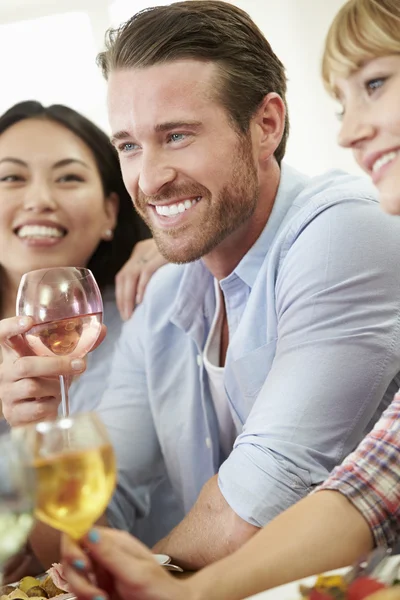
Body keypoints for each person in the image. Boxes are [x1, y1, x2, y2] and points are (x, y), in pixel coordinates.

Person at [2, 0, 400, 575]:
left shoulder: (344, 229)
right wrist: (35, 434)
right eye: (129, 145)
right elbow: (81, 535)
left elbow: (254, 507)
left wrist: (132, 579)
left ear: (267, 124)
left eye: (178, 135)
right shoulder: (162, 296)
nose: (149, 178)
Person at [0, 100, 177, 580]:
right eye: (10, 178)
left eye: (68, 178)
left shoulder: (143, 326)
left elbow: (65, 549)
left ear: (109, 211)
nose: (39, 199)